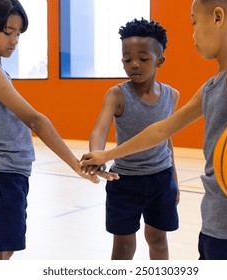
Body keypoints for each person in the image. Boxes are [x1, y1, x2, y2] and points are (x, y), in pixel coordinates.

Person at [81, 0, 227, 259]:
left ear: (217, 18)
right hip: (218, 222)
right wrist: (106, 154)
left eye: (194, 22)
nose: (192, 34)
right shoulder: (214, 84)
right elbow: (161, 130)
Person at [0, 0, 118, 260]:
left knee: (5, 249)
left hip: (9, 173)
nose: (15, 40)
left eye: (18, 34)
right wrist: (76, 164)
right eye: (8, 32)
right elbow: (36, 121)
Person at [83, 18, 180, 260]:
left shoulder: (172, 95)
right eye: (127, 59)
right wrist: (97, 154)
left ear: (161, 60)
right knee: (124, 247)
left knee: (158, 240)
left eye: (143, 58)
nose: (134, 64)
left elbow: (167, 141)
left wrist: (174, 180)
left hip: (161, 179)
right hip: (124, 182)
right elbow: (100, 130)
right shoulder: (117, 94)